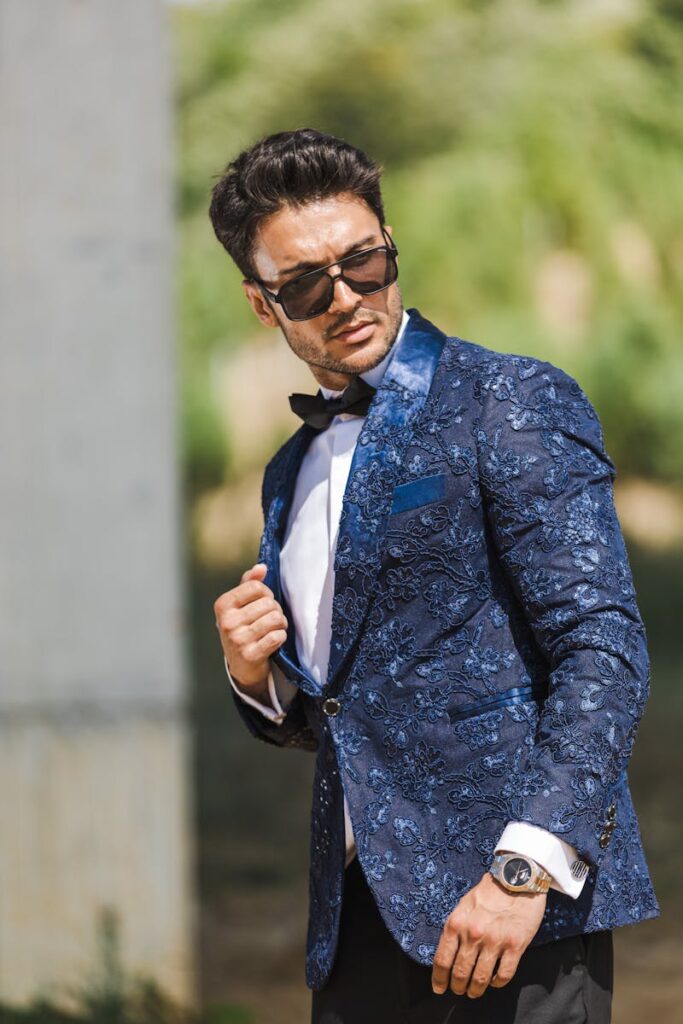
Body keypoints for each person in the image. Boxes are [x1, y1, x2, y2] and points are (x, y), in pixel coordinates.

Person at [209, 128, 659, 1023]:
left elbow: (601, 651)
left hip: (511, 912)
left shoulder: (509, 400)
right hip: (355, 921)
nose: (343, 297)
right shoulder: (285, 472)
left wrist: (523, 870)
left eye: (362, 263)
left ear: (387, 249)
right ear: (264, 306)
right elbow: (352, 712)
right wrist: (255, 680)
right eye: (304, 283)